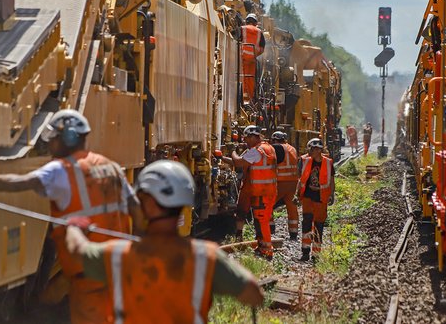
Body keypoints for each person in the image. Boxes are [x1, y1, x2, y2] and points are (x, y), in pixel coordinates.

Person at [0, 109, 142, 324]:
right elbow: (136, 209)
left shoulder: (60, 169)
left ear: (68, 139)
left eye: (53, 139)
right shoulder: (111, 167)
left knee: (62, 301)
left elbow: (20, 182)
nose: (50, 145)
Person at [65, 160, 264, 323]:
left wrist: (74, 227)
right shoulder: (206, 258)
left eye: (140, 200)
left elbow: (77, 251)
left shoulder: (119, 255)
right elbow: (253, 294)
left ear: (149, 205)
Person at [222, 125, 277, 259]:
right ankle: (262, 246)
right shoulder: (268, 148)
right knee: (260, 220)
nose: (245, 141)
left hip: (261, 192)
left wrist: (233, 151)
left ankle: (267, 250)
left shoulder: (256, 151)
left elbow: (238, 162)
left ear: (253, 137)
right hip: (269, 190)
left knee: (262, 221)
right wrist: (223, 158)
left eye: (246, 138)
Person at [293, 138, 335, 262]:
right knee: (306, 223)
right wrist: (297, 194)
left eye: (311, 149)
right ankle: (305, 252)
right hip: (308, 197)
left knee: (318, 226)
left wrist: (332, 195)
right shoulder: (305, 160)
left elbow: (332, 181)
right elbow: (301, 179)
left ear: (318, 150)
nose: (309, 152)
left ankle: (316, 255)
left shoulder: (328, 163)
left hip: (321, 198)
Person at [269, 131, 300, 240]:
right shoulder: (292, 149)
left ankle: (270, 228)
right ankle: (293, 233)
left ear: (274, 139)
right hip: (293, 182)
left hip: (280, 181)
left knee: (269, 204)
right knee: (292, 207)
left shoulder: (276, 148)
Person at [240, 14, 265, 104]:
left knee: (241, 78)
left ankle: (242, 98)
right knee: (250, 80)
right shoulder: (259, 31)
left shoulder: (241, 29)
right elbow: (262, 48)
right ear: (255, 23)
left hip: (241, 59)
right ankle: (249, 100)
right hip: (252, 60)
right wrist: (254, 54)